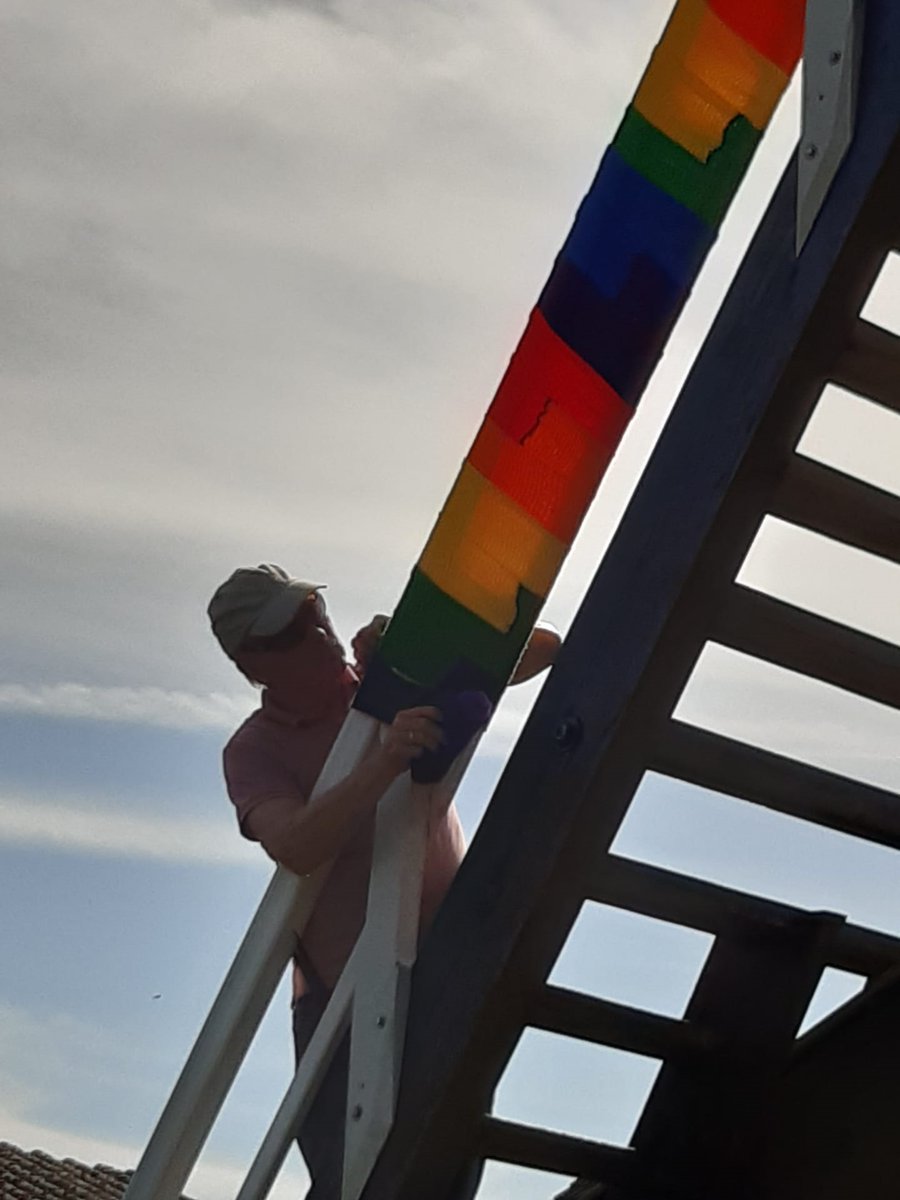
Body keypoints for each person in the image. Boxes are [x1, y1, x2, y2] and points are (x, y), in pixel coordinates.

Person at [208, 563, 560, 1199]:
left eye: (313, 611)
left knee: (443, 1167)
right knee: (352, 1182)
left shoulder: (390, 671)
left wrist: (419, 642)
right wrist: (387, 758)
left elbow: (542, 648)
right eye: (288, 632)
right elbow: (295, 844)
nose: (317, 634)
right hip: (337, 994)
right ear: (251, 664)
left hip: (448, 960)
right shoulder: (253, 750)